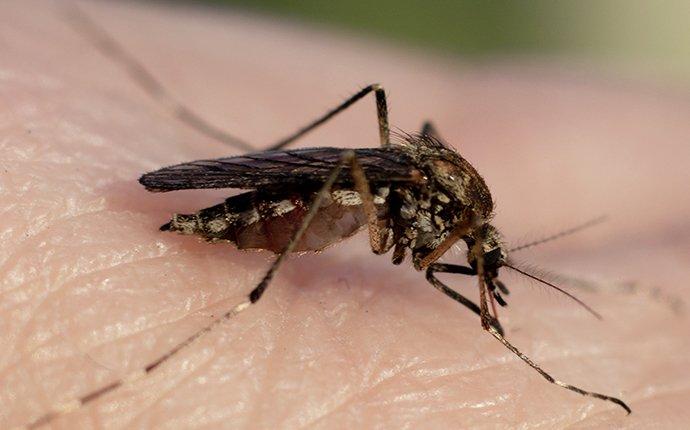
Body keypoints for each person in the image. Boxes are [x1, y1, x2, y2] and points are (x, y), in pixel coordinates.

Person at [2, 1, 688, 428]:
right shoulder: (454, 218)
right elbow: (394, 194)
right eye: (484, 270)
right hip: (318, 194)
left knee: (373, 136)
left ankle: (262, 159)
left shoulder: (466, 218)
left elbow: (459, 238)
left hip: (348, 188)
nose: (485, 280)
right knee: (360, 161)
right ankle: (252, 296)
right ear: (470, 236)